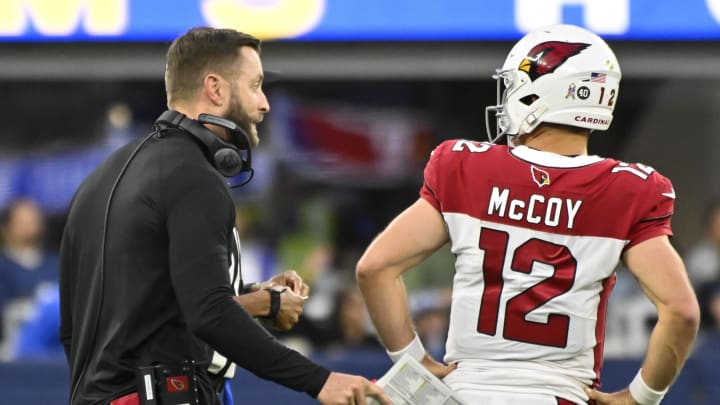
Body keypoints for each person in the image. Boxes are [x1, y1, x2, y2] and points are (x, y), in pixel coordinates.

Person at [356, 24, 699, 405]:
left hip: (464, 393)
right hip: (560, 394)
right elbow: (681, 312)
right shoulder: (629, 190)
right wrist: (640, 397)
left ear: (542, 92)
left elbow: (375, 269)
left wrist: (413, 360)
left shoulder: (466, 168)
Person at [59, 27, 388, 405]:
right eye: (256, 86)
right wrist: (320, 380)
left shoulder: (100, 178)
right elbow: (209, 313)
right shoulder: (194, 176)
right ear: (215, 89)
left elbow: (86, 322)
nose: (264, 104)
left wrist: (252, 296)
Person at [0, 198, 58, 359]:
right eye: (22, 222)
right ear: (6, 228)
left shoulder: (55, 262)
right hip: (17, 346)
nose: (29, 227)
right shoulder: (3, 267)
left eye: (34, 221)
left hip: (57, 347)